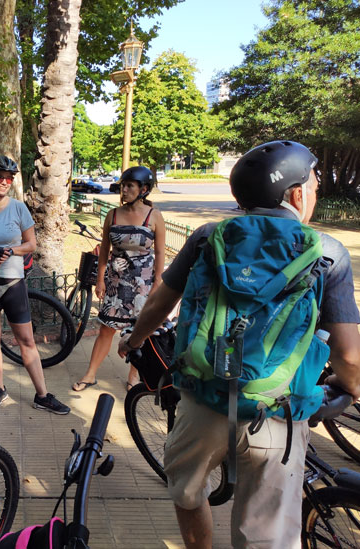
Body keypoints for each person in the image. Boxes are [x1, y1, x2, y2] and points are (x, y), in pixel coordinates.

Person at [117, 140, 360, 548]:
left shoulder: (208, 237)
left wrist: (133, 340)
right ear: (297, 194)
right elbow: (348, 354)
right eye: (314, 184)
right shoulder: (329, 253)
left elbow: (161, 300)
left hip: (204, 400)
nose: (315, 192)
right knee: (266, 533)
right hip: (277, 414)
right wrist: (351, 387)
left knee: (186, 490)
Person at [0, 155, 70, 415]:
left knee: (26, 340)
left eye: (9, 178)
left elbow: (31, 244)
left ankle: (42, 395)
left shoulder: (19, 208)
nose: (4, 182)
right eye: (0, 178)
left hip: (12, 284)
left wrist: (9, 251)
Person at [72, 166, 165, 392]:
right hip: (116, 282)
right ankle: (90, 374)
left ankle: (135, 376)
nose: (123, 190)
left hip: (143, 284)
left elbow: (161, 252)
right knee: (106, 328)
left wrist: (157, 284)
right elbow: (105, 249)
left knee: (140, 330)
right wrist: (101, 279)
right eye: (123, 186)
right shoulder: (113, 214)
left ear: (143, 189)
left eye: (129, 186)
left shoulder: (154, 216)